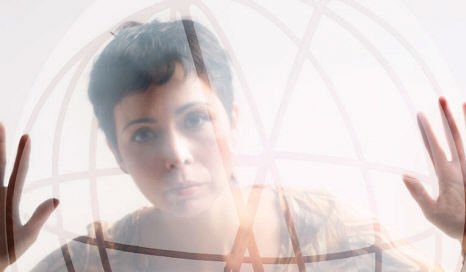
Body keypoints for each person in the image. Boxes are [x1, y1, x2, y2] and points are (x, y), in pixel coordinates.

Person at [0, 18, 464, 271]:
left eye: (195, 119)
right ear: (116, 151)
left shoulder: (331, 235)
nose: (177, 156)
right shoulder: (90, 263)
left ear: (235, 121)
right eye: (143, 133)